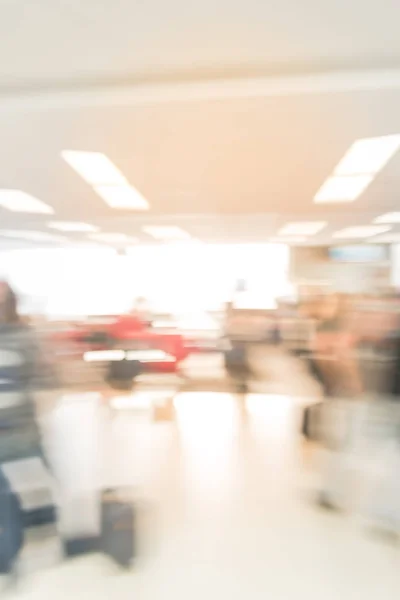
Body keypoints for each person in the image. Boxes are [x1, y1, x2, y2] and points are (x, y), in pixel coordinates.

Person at [0, 281, 54, 464]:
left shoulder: (24, 336)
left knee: (34, 489)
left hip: (20, 438)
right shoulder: (25, 336)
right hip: (21, 437)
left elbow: (45, 383)